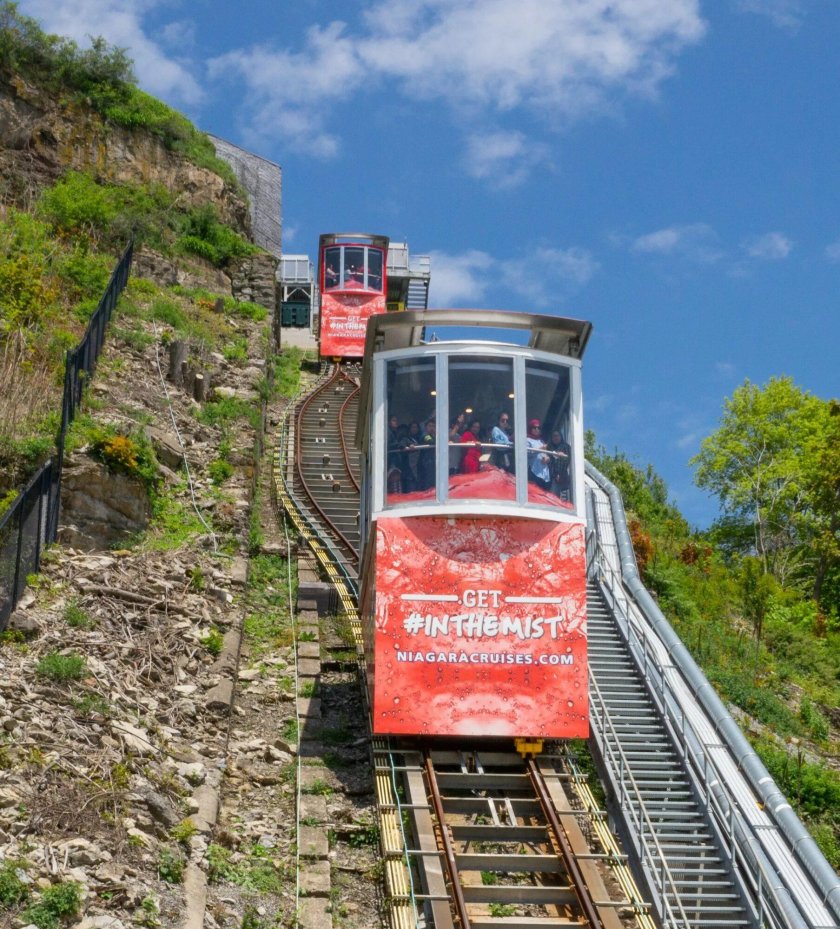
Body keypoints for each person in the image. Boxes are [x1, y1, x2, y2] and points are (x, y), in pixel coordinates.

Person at [527, 419, 551, 490]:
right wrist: (540, 448)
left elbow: (545, 454)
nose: (537, 429)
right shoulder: (527, 440)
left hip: (544, 473)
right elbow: (527, 453)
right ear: (530, 428)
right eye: (534, 427)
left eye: (538, 428)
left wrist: (547, 458)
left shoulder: (541, 440)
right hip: (534, 471)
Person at [547, 429, 571, 500]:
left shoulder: (565, 446)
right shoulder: (550, 447)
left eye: (557, 436)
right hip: (552, 476)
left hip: (562, 476)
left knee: (560, 497)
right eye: (553, 436)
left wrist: (562, 456)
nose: (555, 438)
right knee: (552, 497)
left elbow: (569, 460)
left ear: (561, 437)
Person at [416, 419, 436, 490]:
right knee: (425, 483)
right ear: (426, 427)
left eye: (433, 426)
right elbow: (430, 441)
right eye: (430, 426)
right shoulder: (425, 435)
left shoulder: (433, 436)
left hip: (431, 461)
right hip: (425, 462)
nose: (432, 428)